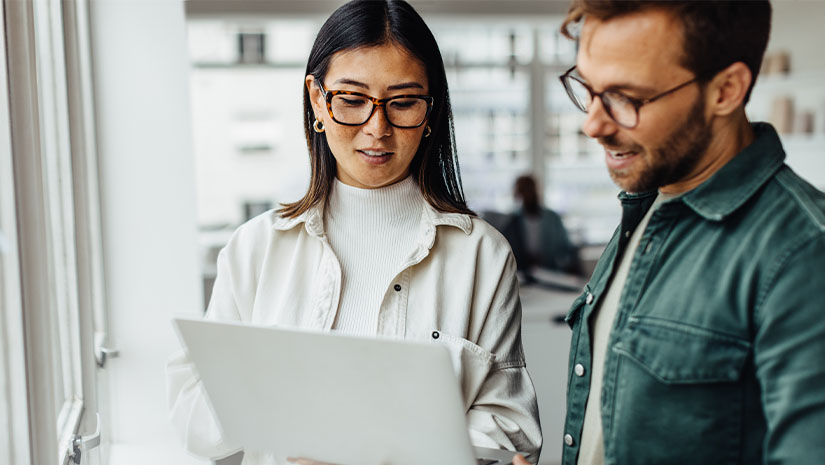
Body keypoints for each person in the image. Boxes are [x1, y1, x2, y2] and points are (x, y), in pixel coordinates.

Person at [167, 1, 542, 464]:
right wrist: (293, 414)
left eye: (403, 102)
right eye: (352, 100)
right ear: (317, 101)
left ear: (431, 109)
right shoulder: (255, 249)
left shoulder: (481, 255)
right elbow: (193, 420)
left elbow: (511, 425)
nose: (377, 128)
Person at [511, 1, 825, 464]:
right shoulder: (645, 209)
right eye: (588, 88)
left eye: (626, 98)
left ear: (726, 90)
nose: (591, 124)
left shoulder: (803, 253)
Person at [504, 174, 580, 275]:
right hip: (523, 275)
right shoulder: (513, 221)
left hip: (551, 273)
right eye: (523, 192)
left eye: (529, 190)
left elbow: (566, 249)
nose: (527, 196)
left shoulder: (553, 219)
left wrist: (561, 263)